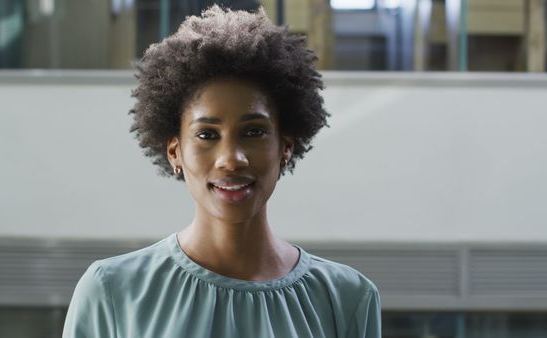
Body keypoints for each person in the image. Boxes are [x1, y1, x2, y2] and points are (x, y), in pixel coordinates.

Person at [62, 5, 380, 338]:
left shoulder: (347, 298)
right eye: (207, 135)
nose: (232, 159)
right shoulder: (113, 292)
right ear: (175, 152)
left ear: (285, 146)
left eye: (254, 131)